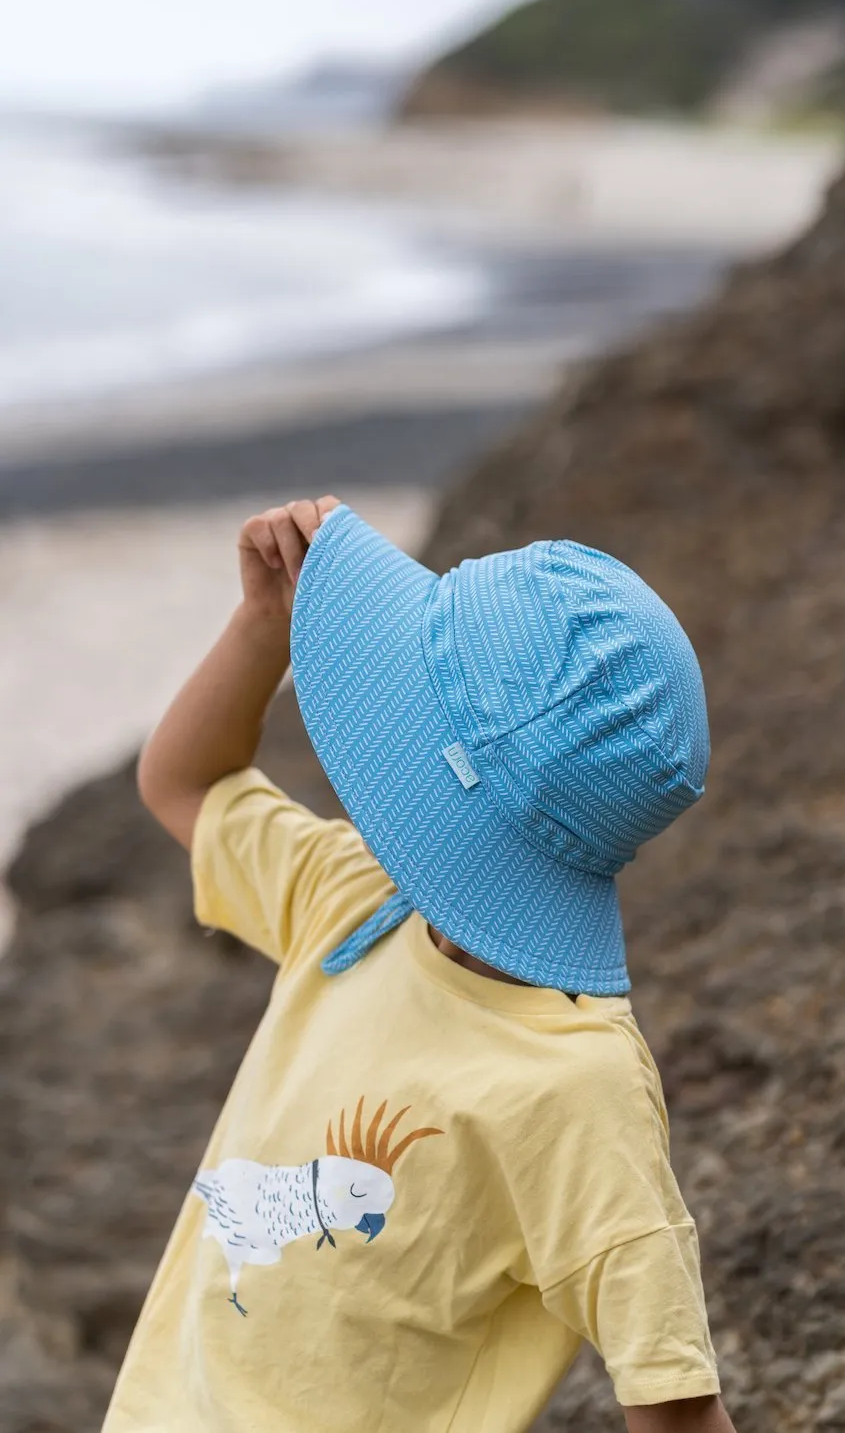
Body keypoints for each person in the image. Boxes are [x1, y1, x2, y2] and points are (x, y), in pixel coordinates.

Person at [102, 495, 738, 1433]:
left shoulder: (574, 1087)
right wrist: (263, 627)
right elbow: (184, 784)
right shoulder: (357, 901)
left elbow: (675, 1404)